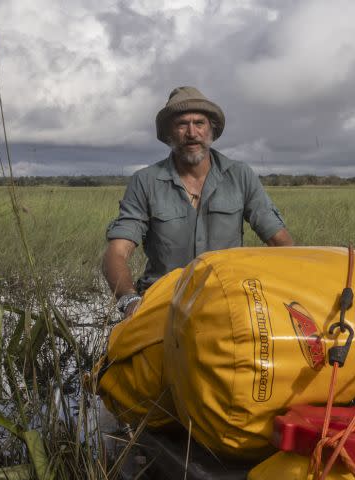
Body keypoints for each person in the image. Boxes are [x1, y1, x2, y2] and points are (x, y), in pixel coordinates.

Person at [103, 86, 293, 317]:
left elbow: (280, 241)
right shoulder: (145, 181)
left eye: (199, 123)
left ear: (211, 130)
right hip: (164, 301)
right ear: (170, 134)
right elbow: (117, 253)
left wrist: (289, 294)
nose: (192, 132)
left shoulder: (240, 175)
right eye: (182, 124)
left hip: (227, 300)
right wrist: (130, 301)